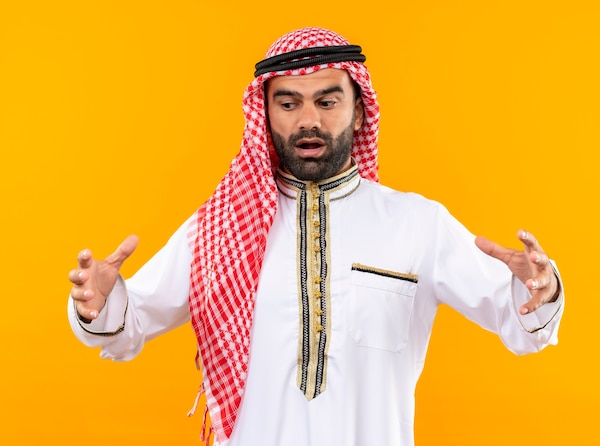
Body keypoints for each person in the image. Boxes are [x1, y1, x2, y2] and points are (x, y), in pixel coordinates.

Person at [68, 27, 564, 446]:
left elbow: (521, 326)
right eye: (289, 103)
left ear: (359, 109)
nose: (309, 120)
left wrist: (539, 291)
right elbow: (127, 330)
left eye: (328, 101)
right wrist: (101, 303)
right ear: (265, 115)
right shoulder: (219, 229)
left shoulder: (418, 224)